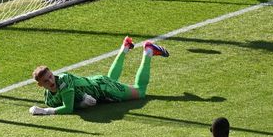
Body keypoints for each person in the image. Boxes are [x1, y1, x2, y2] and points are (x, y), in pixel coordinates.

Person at [30, 37, 169, 115]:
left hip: (104, 88)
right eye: (46, 80)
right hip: (100, 84)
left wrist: (44, 111)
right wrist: (82, 103)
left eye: (50, 76)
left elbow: (68, 108)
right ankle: (125, 47)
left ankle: (149, 51)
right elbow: (70, 104)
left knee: (141, 91)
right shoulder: (49, 98)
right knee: (112, 80)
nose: (50, 80)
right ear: (40, 85)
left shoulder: (64, 81)